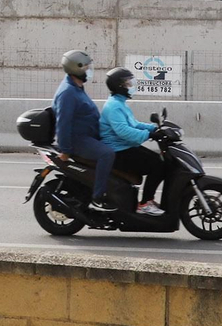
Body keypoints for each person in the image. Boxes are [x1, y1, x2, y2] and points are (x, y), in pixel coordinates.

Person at [51, 50, 116, 214]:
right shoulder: (68, 92)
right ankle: (98, 197)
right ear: (77, 68)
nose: (89, 70)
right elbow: (63, 123)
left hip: (88, 136)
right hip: (78, 140)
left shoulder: (76, 87)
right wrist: (65, 150)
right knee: (106, 154)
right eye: (87, 67)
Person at [99, 68, 167, 215]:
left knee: (160, 161)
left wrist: (154, 128)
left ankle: (147, 200)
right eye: (128, 83)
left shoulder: (119, 103)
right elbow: (124, 131)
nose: (131, 86)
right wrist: (149, 135)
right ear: (119, 86)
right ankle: (145, 203)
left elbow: (134, 124)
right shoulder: (114, 106)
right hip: (118, 151)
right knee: (159, 165)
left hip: (125, 147)